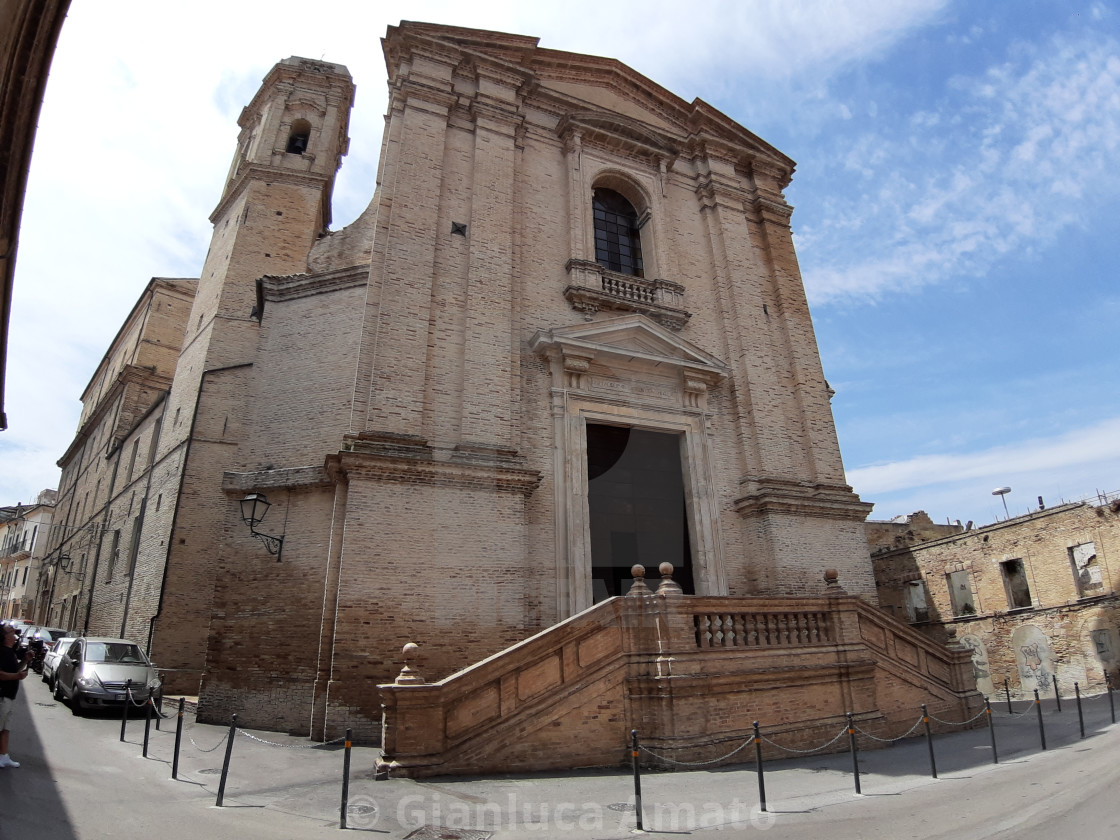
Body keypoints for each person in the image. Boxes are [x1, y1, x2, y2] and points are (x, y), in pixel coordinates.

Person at [0, 624, 32, 768]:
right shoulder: (1, 651)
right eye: (11, 631)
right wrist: (17, 676)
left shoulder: (10, 652)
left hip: (9, 696)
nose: (14, 634)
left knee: (6, 729)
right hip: (2, 696)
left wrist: (25, 660)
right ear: (5, 636)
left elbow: (15, 670)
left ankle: (4, 756)